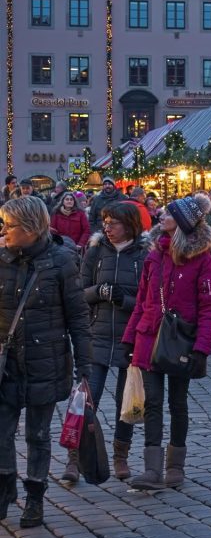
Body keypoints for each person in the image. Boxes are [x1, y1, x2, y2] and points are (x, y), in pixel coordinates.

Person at [0, 196, 92, 527]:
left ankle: (35, 499)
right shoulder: (1, 258)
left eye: (9, 225)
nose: (4, 231)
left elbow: (78, 318)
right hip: (6, 363)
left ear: (30, 228)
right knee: (1, 432)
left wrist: (86, 368)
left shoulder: (61, 261)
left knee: (37, 435)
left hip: (46, 361)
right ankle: (5, 486)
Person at [122, 195, 211, 490]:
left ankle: (175, 464)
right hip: (148, 338)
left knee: (177, 402)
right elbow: (142, 301)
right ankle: (152, 470)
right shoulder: (154, 257)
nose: (162, 215)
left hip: (181, 342)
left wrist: (202, 348)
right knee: (152, 402)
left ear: (182, 223)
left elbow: (210, 308)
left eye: (169, 213)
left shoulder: (203, 262)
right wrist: (129, 337)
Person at [62, 202, 148, 484]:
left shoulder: (144, 255)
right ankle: (75, 459)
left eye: (114, 223)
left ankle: (120, 456)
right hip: (96, 336)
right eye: (106, 222)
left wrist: (125, 299)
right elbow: (79, 293)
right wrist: (98, 291)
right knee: (86, 401)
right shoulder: (96, 251)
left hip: (129, 337)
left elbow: (149, 302)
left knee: (127, 401)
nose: (108, 228)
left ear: (130, 224)